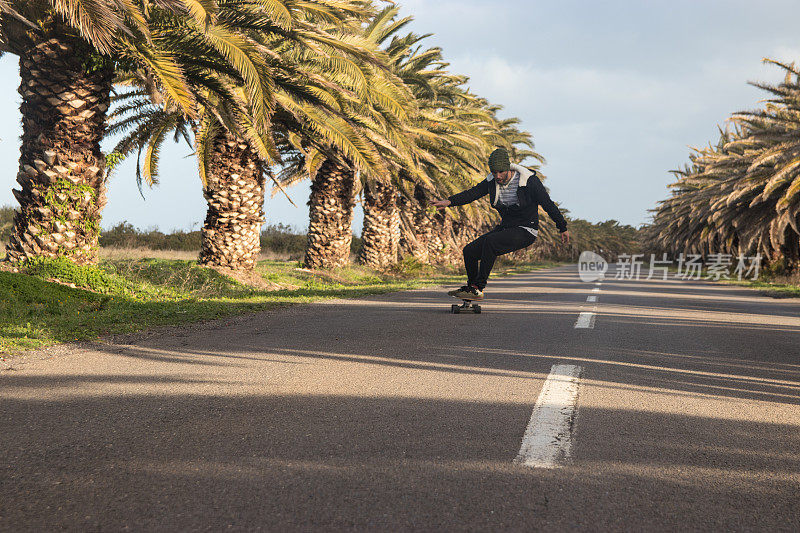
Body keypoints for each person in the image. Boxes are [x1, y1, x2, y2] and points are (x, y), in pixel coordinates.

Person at [432, 147, 570, 300]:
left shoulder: (528, 181)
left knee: (491, 242)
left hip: (526, 230)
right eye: (494, 172)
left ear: (508, 168)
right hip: (506, 228)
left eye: (501, 172)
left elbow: (548, 204)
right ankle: (472, 288)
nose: (497, 176)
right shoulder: (492, 181)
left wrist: (562, 227)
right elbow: (472, 193)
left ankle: (478, 287)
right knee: (469, 251)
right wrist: (449, 201)